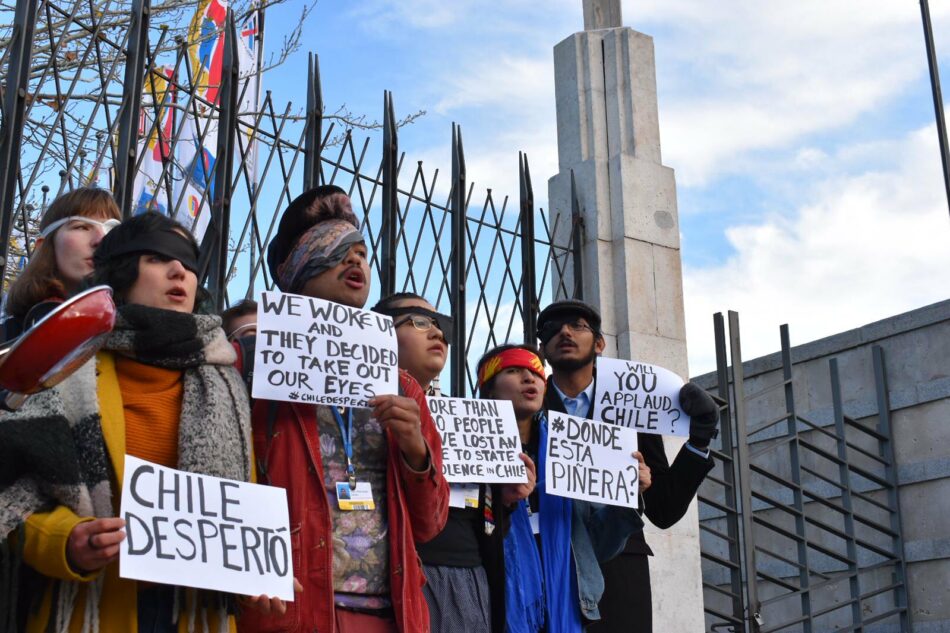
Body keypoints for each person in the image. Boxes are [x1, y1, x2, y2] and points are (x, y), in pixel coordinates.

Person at [0, 211, 268, 632]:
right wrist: (67, 541)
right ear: (122, 272)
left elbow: (238, 511)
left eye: (189, 262)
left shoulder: (226, 383)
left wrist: (257, 577)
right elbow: (13, 501)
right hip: (89, 609)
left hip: (196, 615)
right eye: (159, 257)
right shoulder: (65, 369)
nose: (179, 269)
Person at [239, 185, 449, 633]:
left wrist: (416, 452)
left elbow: (430, 524)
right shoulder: (256, 367)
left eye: (360, 253)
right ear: (300, 268)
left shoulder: (402, 386)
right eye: (336, 252)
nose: (355, 262)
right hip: (293, 612)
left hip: (391, 616)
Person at [536, 300, 720, 633]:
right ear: (541, 348)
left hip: (619, 570)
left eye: (577, 325)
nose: (564, 331)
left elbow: (663, 509)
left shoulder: (632, 409)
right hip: (546, 563)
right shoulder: (526, 407)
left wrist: (699, 440)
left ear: (600, 342)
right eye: (552, 327)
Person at [372, 293, 535, 633]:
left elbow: (485, 524)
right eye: (418, 321)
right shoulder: (357, 413)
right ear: (378, 333)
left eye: (440, 325)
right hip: (393, 576)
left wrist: (505, 498)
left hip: (466, 581)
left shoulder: (471, 420)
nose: (436, 334)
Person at [476, 344, 651, 633]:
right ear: (490, 388)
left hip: (568, 610)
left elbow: (602, 547)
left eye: (535, 372)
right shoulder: (469, 451)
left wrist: (628, 495)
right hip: (493, 605)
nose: (529, 378)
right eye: (514, 371)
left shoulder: (573, 450)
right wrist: (503, 503)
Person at [2, 187, 121, 341]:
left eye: (111, 230)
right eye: (82, 227)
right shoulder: (6, 337)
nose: (100, 239)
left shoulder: (138, 337)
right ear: (42, 246)